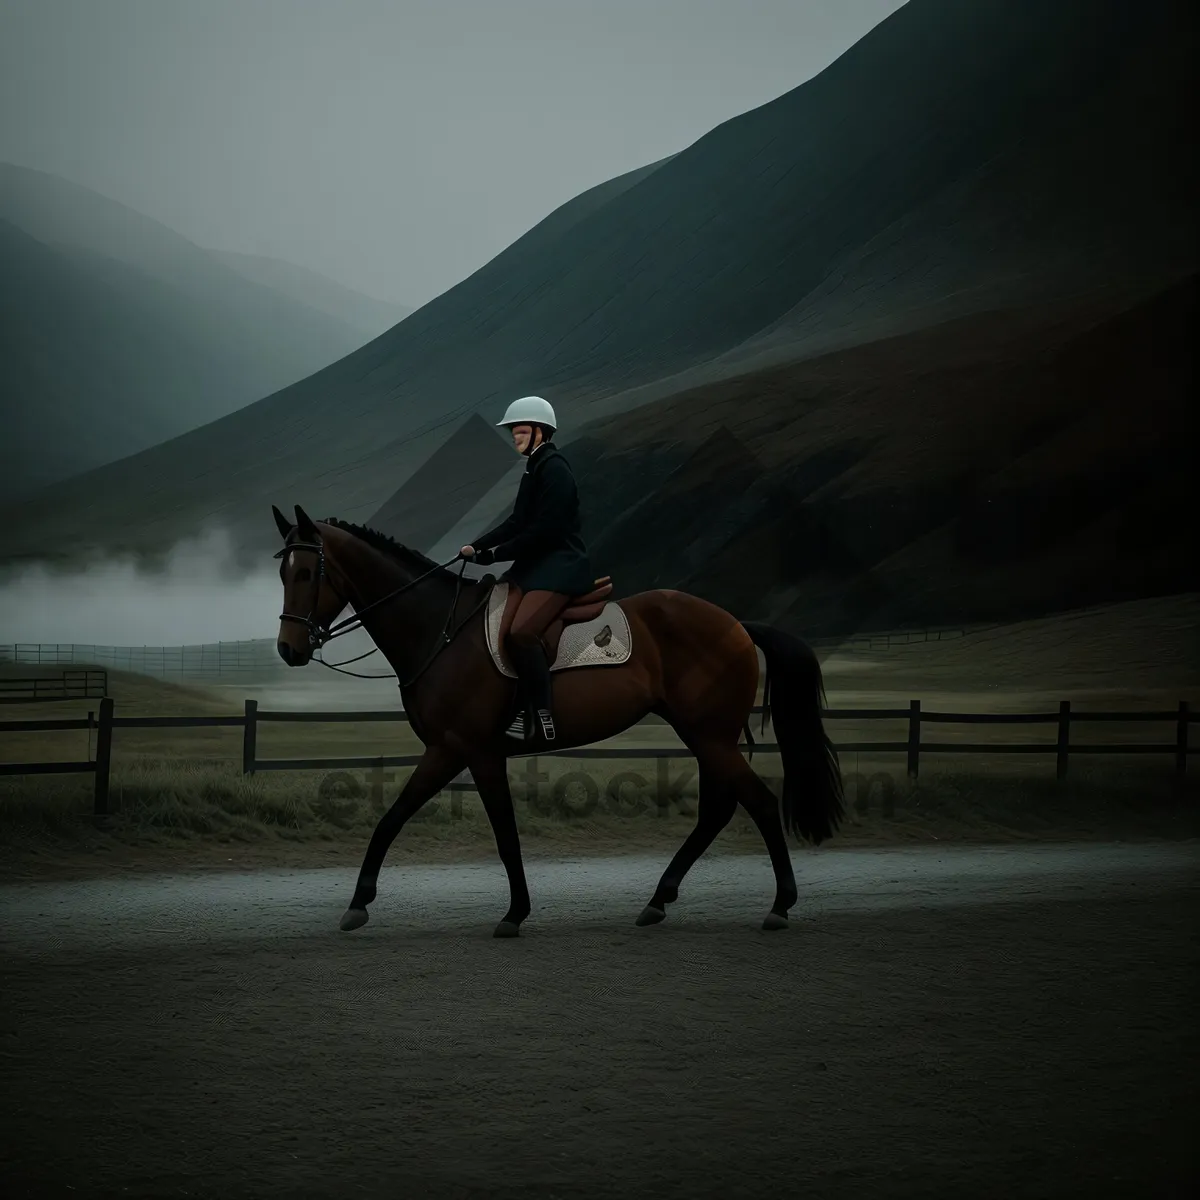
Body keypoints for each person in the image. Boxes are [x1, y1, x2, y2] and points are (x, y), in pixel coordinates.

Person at [459, 395, 594, 742]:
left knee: (520, 633)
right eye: (513, 433)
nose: (515, 439)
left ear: (540, 431)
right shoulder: (534, 468)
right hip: (536, 566)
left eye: (520, 432)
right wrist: (478, 545)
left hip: (560, 565)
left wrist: (493, 556)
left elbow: (545, 531)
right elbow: (517, 521)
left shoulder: (556, 470)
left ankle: (541, 713)